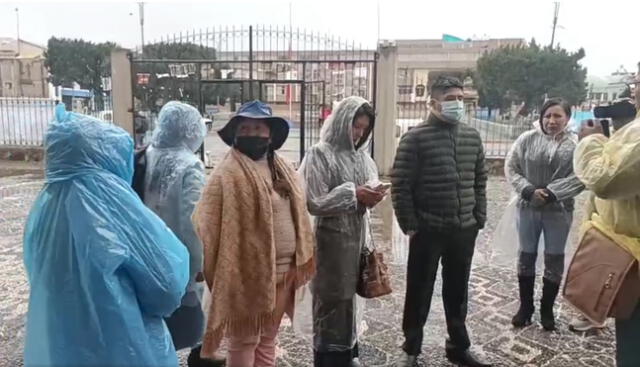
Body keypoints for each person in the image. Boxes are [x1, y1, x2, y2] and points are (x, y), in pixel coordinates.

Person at [22, 105, 190, 367]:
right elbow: (167, 286)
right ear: (109, 155)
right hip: (125, 347)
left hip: (59, 348)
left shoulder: (45, 207)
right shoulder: (114, 206)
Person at [192, 100, 316, 367]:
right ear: (236, 133)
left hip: (285, 271)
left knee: (268, 338)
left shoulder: (281, 166)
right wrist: (204, 260)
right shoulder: (226, 173)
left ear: (270, 134)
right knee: (244, 341)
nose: (252, 133)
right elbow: (205, 219)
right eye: (245, 127)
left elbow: (300, 211)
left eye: (258, 128)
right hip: (246, 275)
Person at [391, 76, 490, 367]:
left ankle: (458, 345)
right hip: (428, 229)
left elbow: (480, 179)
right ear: (433, 102)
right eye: (450, 99)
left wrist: (478, 215)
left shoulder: (472, 136)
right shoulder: (415, 138)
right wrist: (410, 223)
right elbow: (400, 185)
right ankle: (411, 348)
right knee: (419, 290)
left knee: (457, 290)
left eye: (460, 98)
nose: (457, 104)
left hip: (463, 228)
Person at [300, 96, 385, 367]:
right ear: (340, 123)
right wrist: (353, 193)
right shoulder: (320, 154)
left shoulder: (361, 157)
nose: (358, 133)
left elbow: (365, 193)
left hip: (356, 239)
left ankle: (348, 354)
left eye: (363, 128)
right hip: (330, 243)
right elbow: (314, 201)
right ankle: (328, 359)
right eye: (354, 126)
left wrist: (373, 193)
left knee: (350, 301)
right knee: (331, 301)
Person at [141, 101, 223, 366]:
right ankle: (200, 359)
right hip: (179, 256)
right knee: (193, 322)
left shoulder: (146, 155)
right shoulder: (189, 165)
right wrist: (201, 263)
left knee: (153, 321)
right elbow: (194, 221)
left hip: (146, 252)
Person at [573, 78, 640, 366]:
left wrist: (591, 141)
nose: (634, 90)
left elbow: (605, 180)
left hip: (633, 257)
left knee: (633, 344)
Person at [505, 98, 585, 331]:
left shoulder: (575, 145)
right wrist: (529, 191)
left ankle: (546, 309)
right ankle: (526, 307)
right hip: (528, 206)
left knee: (554, 257)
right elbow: (511, 167)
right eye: (547, 115)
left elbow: (580, 176)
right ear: (541, 117)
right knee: (527, 254)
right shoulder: (526, 139)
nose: (551, 121)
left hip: (558, 211)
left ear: (567, 118)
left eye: (557, 116)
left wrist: (552, 193)